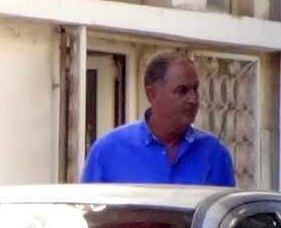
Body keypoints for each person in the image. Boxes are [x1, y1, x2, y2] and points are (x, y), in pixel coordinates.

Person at [81, 53, 237, 186]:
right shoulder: (108, 151)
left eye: (195, 89)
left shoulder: (215, 153)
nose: (193, 99)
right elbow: (85, 215)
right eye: (182, 91)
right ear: (152, 94)